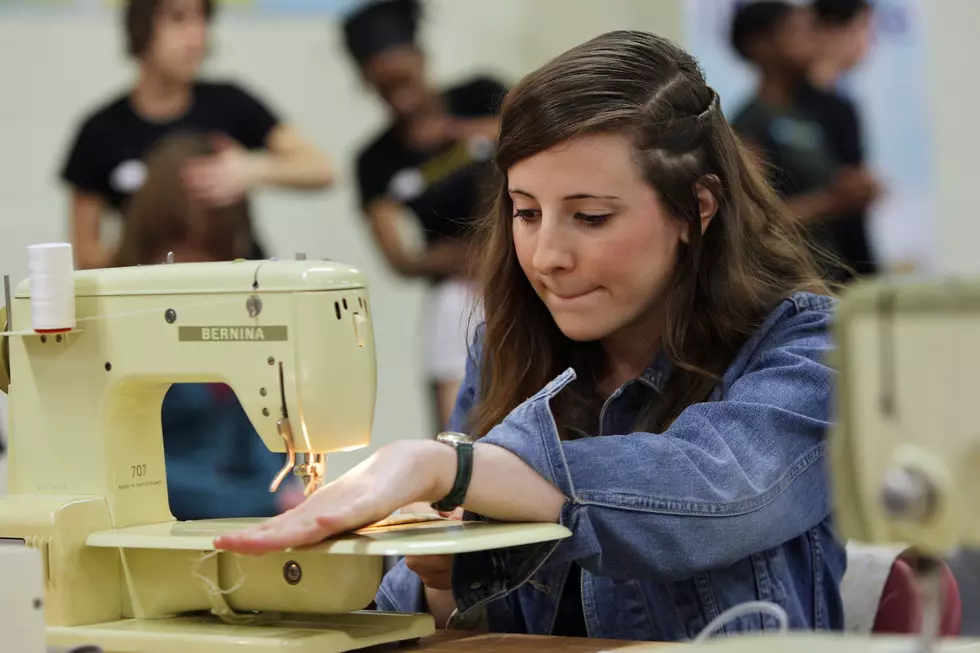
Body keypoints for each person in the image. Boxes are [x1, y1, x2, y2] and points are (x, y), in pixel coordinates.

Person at [215, 30, 846, 641]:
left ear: (696, 208)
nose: (546, 256)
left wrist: (454, 468)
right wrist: (440, 576)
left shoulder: (806, 346)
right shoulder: (505, 349)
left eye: (590, 217)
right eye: (526, 212)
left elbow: (716, 492)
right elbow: (432, 617)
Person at [60, 0, 334, 270]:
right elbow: (86, 255)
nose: (197, 36)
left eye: (203, 18)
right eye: (178, 18)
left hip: (245, 289)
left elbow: (322, 169)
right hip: (153, 296)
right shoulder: (100, 131)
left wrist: (250, 169)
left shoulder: (230, 102)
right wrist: (145, 243)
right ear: (140, 26)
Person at [115, 132, 304, 520]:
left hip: (238, 510)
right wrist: (269, 501)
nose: (204, 268)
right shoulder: (120, 327)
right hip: (167, 521)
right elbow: (132, 479)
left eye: (216, 252)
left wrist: (290, 489)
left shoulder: (244, 311)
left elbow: (269, 437)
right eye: (189, 251)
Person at [341, 0, 508, 429]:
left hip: (520, 264)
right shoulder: (374, 160)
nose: (399, 97)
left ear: (422, 58)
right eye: (384, 88)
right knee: (461, 413)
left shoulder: (480, 94)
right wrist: (461, 257)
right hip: (458, 287)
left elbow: (540, 133)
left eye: (404, 80)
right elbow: (398, 256)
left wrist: (454, 132)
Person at [729, 1, 880, 282]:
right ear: (761, 45)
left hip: (839, 274)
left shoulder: (823, 111)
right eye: (797, 31)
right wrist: (831, 201)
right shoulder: (750, 123)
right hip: (794, 285)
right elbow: (753, 221)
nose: (812, 39)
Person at [808, 0, 879, 278]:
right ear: (833, 30)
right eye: (865, 29)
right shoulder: (791, 107)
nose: (869, 42)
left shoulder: (842, 104)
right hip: (818, 266)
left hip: (849, 257)